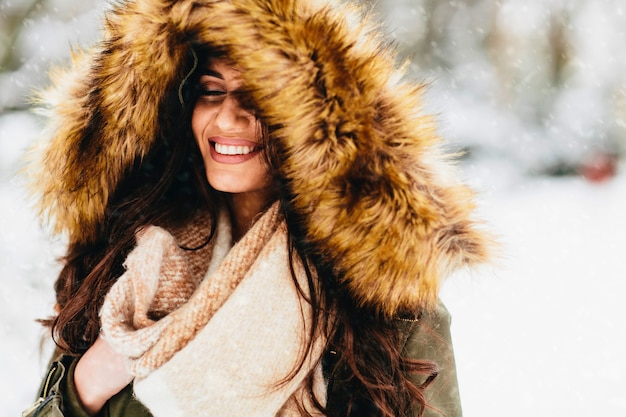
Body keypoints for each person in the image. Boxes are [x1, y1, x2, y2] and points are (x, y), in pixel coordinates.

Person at [26, 0, 491, 416]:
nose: (229, 116)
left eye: (258, 98)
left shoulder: (380, 300)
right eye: (211, 90)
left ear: (310, 125)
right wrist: (83, 388)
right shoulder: (123, 265)